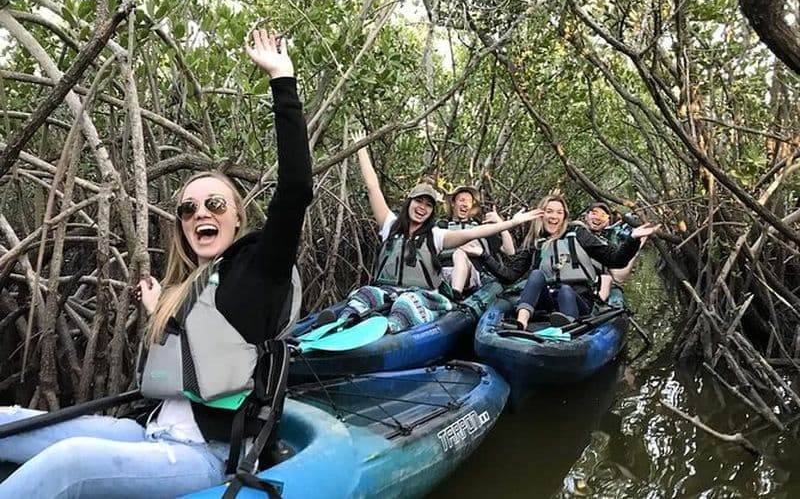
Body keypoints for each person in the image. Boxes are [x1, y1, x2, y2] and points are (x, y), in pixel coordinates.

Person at [0, 29, 313, 497]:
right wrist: (157, 310)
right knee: (9, 420)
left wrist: (281, 79)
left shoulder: (258, 270)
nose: (200, 213)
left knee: (71, 461)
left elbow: (295, 191)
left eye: (215, 204)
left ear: (236, 218)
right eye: (188, 208)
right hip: (152, 433)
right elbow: (194, 351)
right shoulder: (193, 288)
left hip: (203, 456)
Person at [320, 132, 537, 334]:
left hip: (423, 295)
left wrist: (510, 223)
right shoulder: (389, 224)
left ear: (432, 211)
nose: (422, 207)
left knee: (405, 305)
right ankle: (343, 324)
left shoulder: (437, 235)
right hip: (387, 288)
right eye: (418, 202)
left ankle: (389, 331)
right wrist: (361, 150)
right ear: (409, 203)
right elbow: (372, 187)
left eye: (428, 205)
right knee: (365, 295)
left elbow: (479, 231)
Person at [471, 194, 659, 330]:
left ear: (564, 216)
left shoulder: (579, 234)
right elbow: (509, 275)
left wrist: (633, 238)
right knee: (536, 275)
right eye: (549, 211)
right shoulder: (535, 242)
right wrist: (482, 254)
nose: (554, 216)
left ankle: (567, 330)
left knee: (566, 290)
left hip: (578, 300)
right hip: (547, 301)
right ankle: (522, 322)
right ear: (540, 215)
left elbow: (615, 259)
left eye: (559, 212)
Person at [438, 186, 515, 299]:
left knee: (459, 253)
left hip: (471, 275)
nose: (465, 204)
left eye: (469, 202)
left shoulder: (481, 229)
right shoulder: (441, 226)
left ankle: (455, 295)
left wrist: (499, 222)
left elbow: (510, 250)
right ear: (453, 203)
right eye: (462, 200)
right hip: (443, 273)